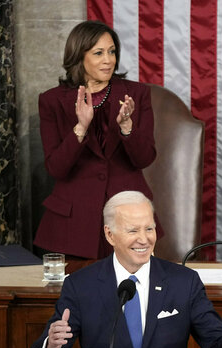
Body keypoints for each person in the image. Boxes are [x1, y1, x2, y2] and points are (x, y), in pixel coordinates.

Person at [28, 191, 222, 348]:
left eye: (149, 228)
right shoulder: (80, 285)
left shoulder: (184, 282)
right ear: (109, 235)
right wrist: (51, 345)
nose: (144, 239)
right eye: (133, 230)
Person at [34, 20, 162, 260]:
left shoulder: (136, 94)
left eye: (112, 52)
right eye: (99, 53)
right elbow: (56, 169)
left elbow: (145, 158)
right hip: (74, 223)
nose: (108, 60)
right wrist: (80, 128)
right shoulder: (51, 101)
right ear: (79, 56)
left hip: (128, 219)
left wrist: (127, 128)